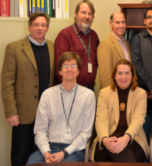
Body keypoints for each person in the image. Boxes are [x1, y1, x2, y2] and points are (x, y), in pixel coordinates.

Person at [1, 12, 55, 166]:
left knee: (40, 156)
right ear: (29, 27)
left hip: (46, 114)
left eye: (43, 25)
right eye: (36, 25)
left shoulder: (52, 47)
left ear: (47, 28)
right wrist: (11, 112)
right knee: (20, 156)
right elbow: (6, 83)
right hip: (23, 115)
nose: (39, 28)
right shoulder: (14, 48)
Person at [26, 52, 96, 164]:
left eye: (73, 66)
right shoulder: (47, 95)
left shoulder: (88, 96)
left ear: (78, 71)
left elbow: (86, 133)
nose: (70, 69)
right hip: (49, 147)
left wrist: (65, 153)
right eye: (66, 66)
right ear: (60, 71)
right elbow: (40, 130)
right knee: (32, 163)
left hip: (74, 150)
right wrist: (46, 153)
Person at [90, 59, 150, 162]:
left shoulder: (141, 94)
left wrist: (125, 138)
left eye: (127, 73)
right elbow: (101, 120)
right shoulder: (104, 94)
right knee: (114, 153)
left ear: (132, 75)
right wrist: (105, 140)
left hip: (133, 139)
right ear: (114, 76)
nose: (123, 77)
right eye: (120, 73)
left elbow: (138, 120)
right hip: (108, 137)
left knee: (117, 154)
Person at [54, 0, 99, 91]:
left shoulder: (94, 36)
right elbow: (60, 68)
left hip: (90, 89)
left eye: (90, 14)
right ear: (75, 14)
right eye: (83, 12)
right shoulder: (65, 35)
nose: (86, 16)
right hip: (70, 90)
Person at [98, 12, 131, 89]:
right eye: (117, 22)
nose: (121, 26)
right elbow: (105, 78)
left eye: (123, 22)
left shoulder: (127, 44)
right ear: (110, 24)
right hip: (113, 94)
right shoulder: (105, 44)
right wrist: (111, 98)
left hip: (126, 92)